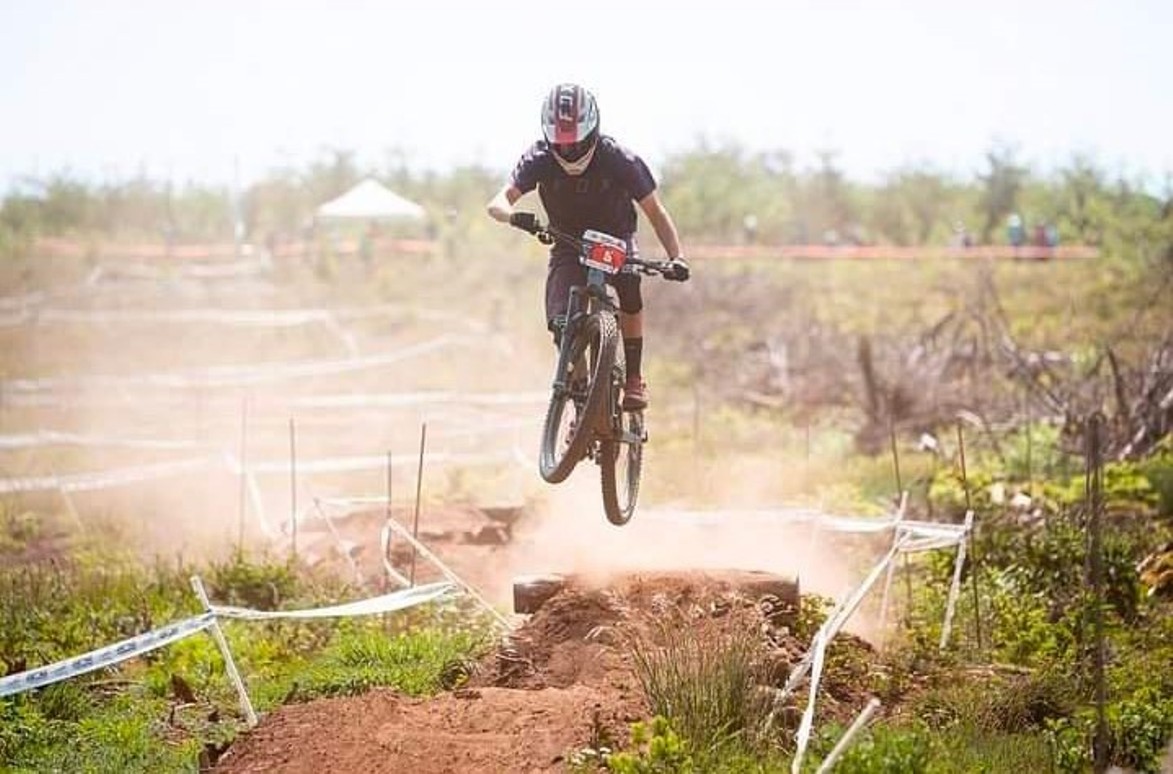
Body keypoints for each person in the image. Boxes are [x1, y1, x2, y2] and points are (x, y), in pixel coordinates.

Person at [487, 83, 690, 410]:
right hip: (568, 242)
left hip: (616, 239)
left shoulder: (620, 159)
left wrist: (676, 257)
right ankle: (580, 391)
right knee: (561, 320)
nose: (568, 151)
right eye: (561, 144)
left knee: (630, 290)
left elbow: (656, 212)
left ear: (592, 130)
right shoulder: (539, 158)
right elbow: (497, 202)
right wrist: (513, 217)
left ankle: (634, 379)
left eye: (576, 142)